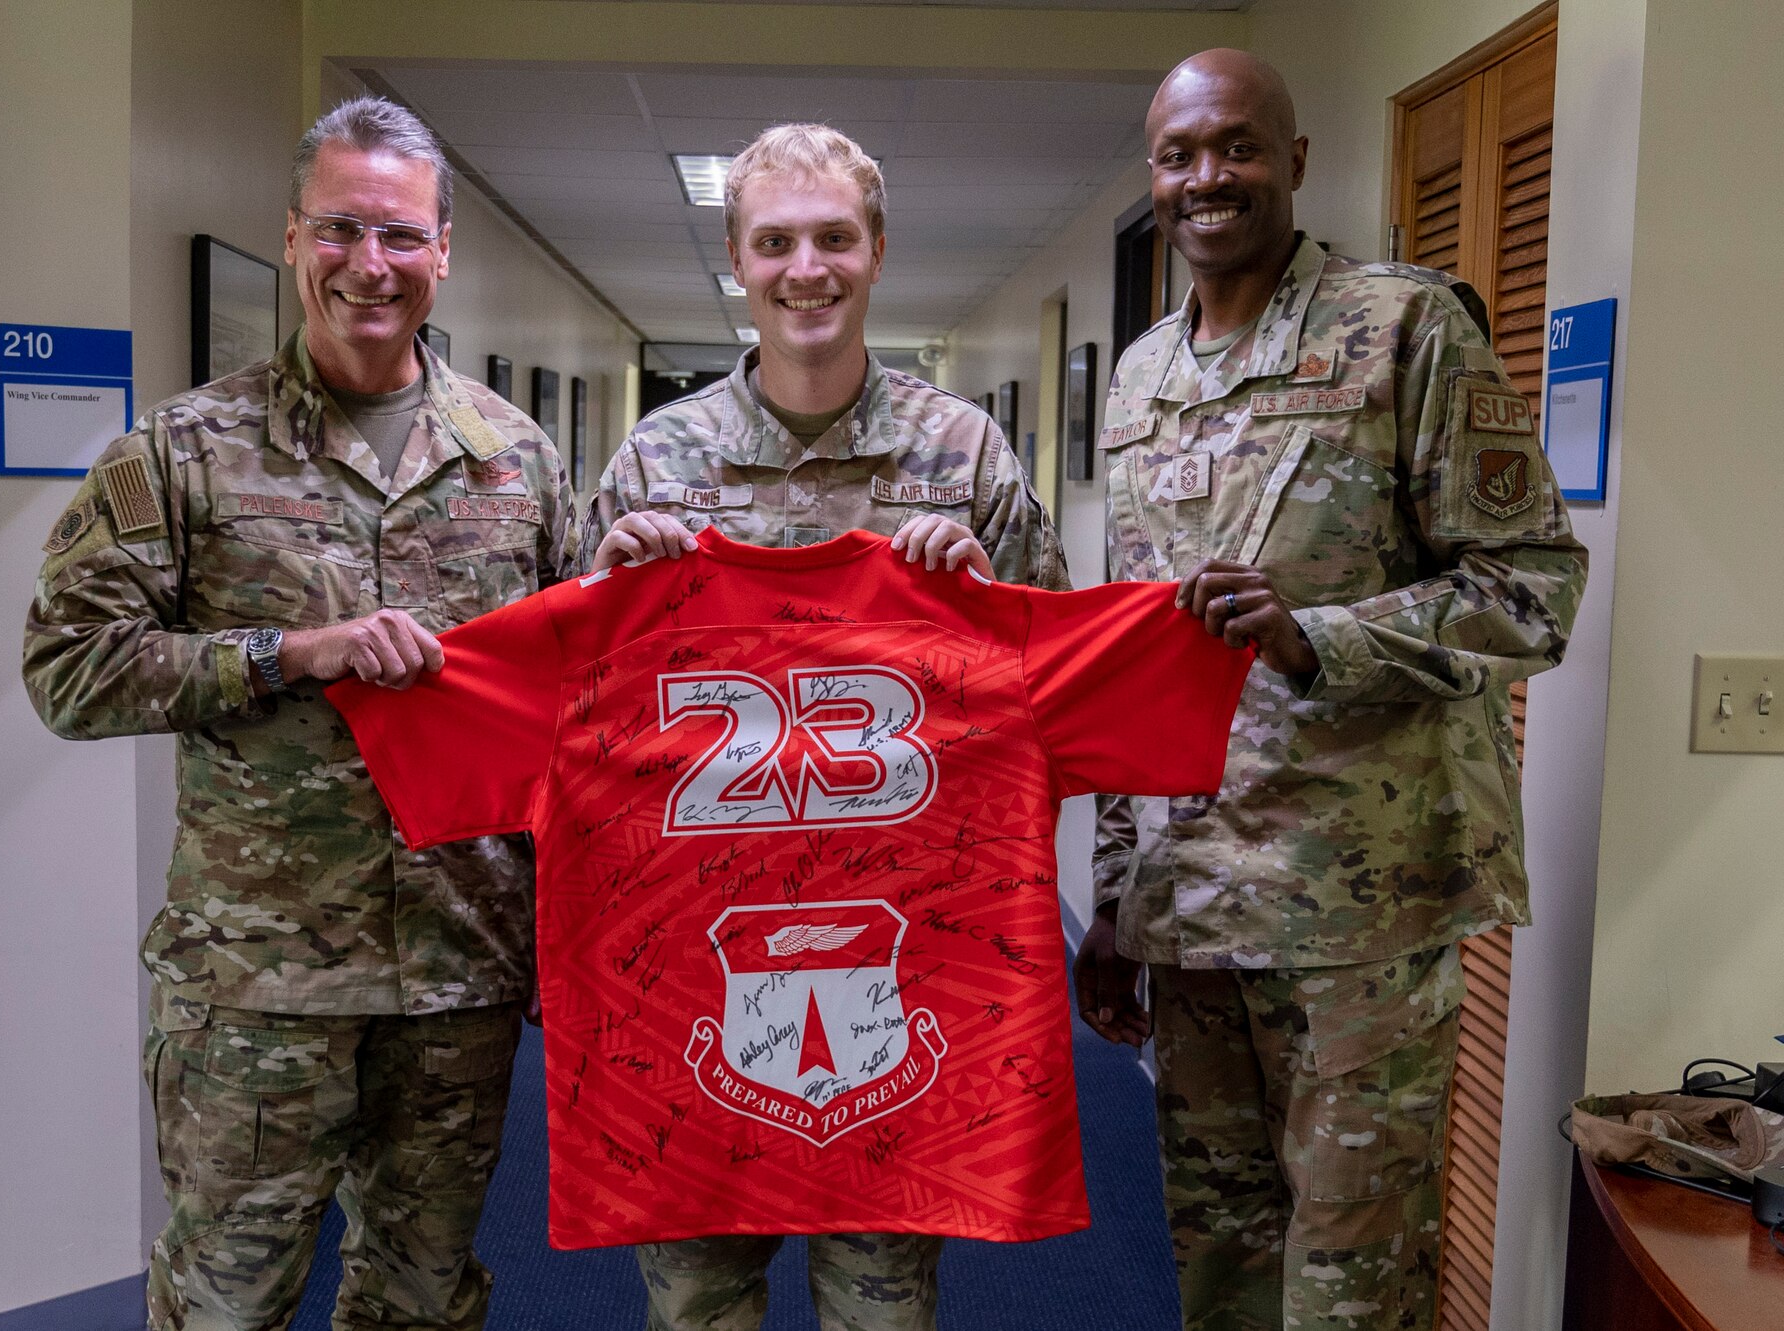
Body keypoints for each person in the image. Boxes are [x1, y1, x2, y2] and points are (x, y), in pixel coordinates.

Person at [23, 96, 573, 1331]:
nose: (365, 265)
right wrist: (285, 652)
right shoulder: (181, 451)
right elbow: (67, 668)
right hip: (257, 985)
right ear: (289, 239)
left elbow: (575, 719)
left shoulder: (519, 462)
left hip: (456, 977)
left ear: (442, 251)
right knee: (226, 1302)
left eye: (396, 235)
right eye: (338, 230)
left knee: (422, 1301)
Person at [1071, 50, 1587, 1331]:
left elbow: (1530, 585)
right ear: (1153, 173)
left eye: (1236, 147)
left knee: (1353, 1290)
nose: (1207, 178)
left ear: (1293, 161)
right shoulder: (1139, 380)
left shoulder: (1406, 326)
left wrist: (1321, 640)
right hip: (1193, 910)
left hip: (1359, 913)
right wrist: (1117, 897)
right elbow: (1137, 656)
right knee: (1224, 1272)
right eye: (1179, 154)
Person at [578, 123, 1067, 1331]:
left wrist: (982, 601)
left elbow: (1056, 682)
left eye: (834, 237)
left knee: (882, 1311)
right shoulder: (656, 459)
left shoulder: (962, 454)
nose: (808, 268)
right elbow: (570, 714)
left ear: (878, 250)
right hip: (689, 964)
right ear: (737, 263)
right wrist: (602, 587)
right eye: (776, 241)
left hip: (900, 961)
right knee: (697, 1308)